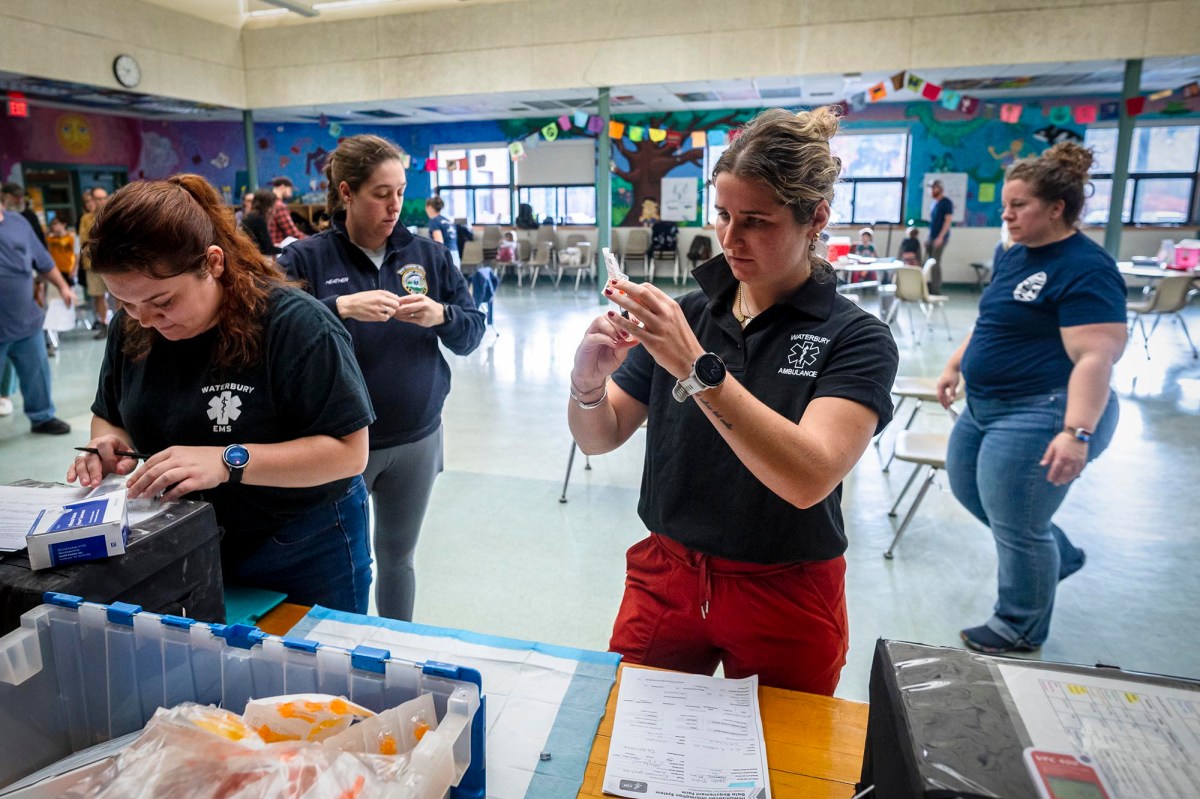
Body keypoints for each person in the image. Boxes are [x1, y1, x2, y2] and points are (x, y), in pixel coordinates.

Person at [567, 108, 898, 694]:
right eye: (722, 214)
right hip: (666, 575)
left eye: (756, 220)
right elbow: (600, 435)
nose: (730, 237)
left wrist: (697, 368)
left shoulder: (855, 338)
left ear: (814, 218)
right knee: (637, 746)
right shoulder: (691, 314)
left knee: (784, 768)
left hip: (785, 587)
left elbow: (809, 476)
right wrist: (586, 384)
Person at [68, 175, 376, 612]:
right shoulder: (134, 326)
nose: (146, 318)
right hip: (186, 536)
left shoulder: (295, 326)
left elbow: (348, 453)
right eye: (126, 304)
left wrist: (225, 460)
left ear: (213, 263)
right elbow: (110, 412)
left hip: (301, 543)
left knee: (313, 670)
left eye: (163, 301)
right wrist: (108, 443)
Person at [279, 134, 486, 622]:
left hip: (415, 437)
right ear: (347, 193)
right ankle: (333, 660)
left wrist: (441, 316)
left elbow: (472, 333)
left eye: (400, 191)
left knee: (398, 559)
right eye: (380, 193)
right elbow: (268, 329)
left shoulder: (429, 256)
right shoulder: (307, 259)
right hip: (334, 443)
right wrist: (339, 308)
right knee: (339, 563)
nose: (395, 205)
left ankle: (397, 646)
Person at [936, 142, 1128, 655]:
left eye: (1019, 205)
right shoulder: (1014, 252)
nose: (1006, 214)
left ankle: (1019, 626)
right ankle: (1057, 556)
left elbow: (1095, 357)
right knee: (972, 492)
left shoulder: (1087, 267)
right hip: (987, 406)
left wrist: (1076, 432)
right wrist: (957, 362)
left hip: (1045, 411)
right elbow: (993, 321)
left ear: (1057, 208)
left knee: (1018, 521)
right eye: (1006, 203)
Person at [0, 197, 75, 434]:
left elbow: (42, 260)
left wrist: (63, 286)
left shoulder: (18, 223)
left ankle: (42, 417)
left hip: (25, 320)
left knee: (37, 374)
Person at [78, 187, 111, 339]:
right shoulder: (86, 219)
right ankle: (104, 324)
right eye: (97, 198)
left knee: (121, 296)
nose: (101, 201)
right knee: (98, 296)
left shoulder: (113, 215)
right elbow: (85, 241)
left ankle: (123, 324)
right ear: (91, 200)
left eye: (103, 197)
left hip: (114, 263)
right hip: (93, 264)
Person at [925, 179, 953, 293]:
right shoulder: (934, 204)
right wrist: (928, 237)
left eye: (933, 188)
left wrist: (941, 237)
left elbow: (948, 221)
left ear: (939, 189)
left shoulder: (946, 202)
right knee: (929, 261)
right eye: (930, 188)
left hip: (940, 237)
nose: (931, 190)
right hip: (932, 236)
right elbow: (933, 222)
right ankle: (929, 286)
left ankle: (936, 288)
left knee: (935, 262)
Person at [1, 183, 47, 250]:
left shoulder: (30, 215)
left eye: (21, 196)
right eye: (16, 197)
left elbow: (39, 238)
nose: (20, 200)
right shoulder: (2, 216)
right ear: (6, 197)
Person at [267, 177, 307, 246]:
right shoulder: (279, 206)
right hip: (279, 252)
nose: (291, 194)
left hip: (270, 249)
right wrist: (312, 240)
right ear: (282, 187)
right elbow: (293, 233)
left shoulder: (268, 203)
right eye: (290, 190)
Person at [240, 188, 280, 257]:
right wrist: (285, 249)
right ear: (268, 205)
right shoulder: (258, 219)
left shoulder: (251, 216)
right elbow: (267, 250)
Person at [424, 196, 460, 268]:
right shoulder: (448, 221)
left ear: (430, 207)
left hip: (445, 255)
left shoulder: (434, 221)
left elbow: (439, 243)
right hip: (455, 254)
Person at [45, 217, 77, 285]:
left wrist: (75, 269)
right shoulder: (50, 239)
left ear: (64, 224)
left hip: (68, 269)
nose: (53, 226)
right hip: (55, 270)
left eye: (55, 223)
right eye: (52, 224)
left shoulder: (71, 237)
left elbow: (77, 255)